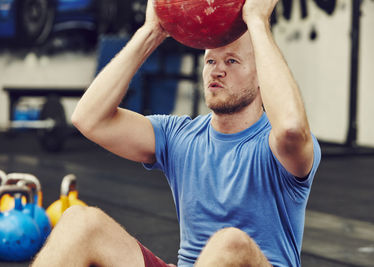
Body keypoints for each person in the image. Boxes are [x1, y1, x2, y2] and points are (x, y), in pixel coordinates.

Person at [32, 0, 321, 266]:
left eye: (232, 61)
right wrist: (151, 31)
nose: (217, 71)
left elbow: (292, 128)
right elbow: (88, 119)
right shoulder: (180, 135)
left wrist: (257, 21)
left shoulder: (277, 146)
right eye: (210, 61)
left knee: (230, 242)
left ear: (262, 77)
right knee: (80, 221)